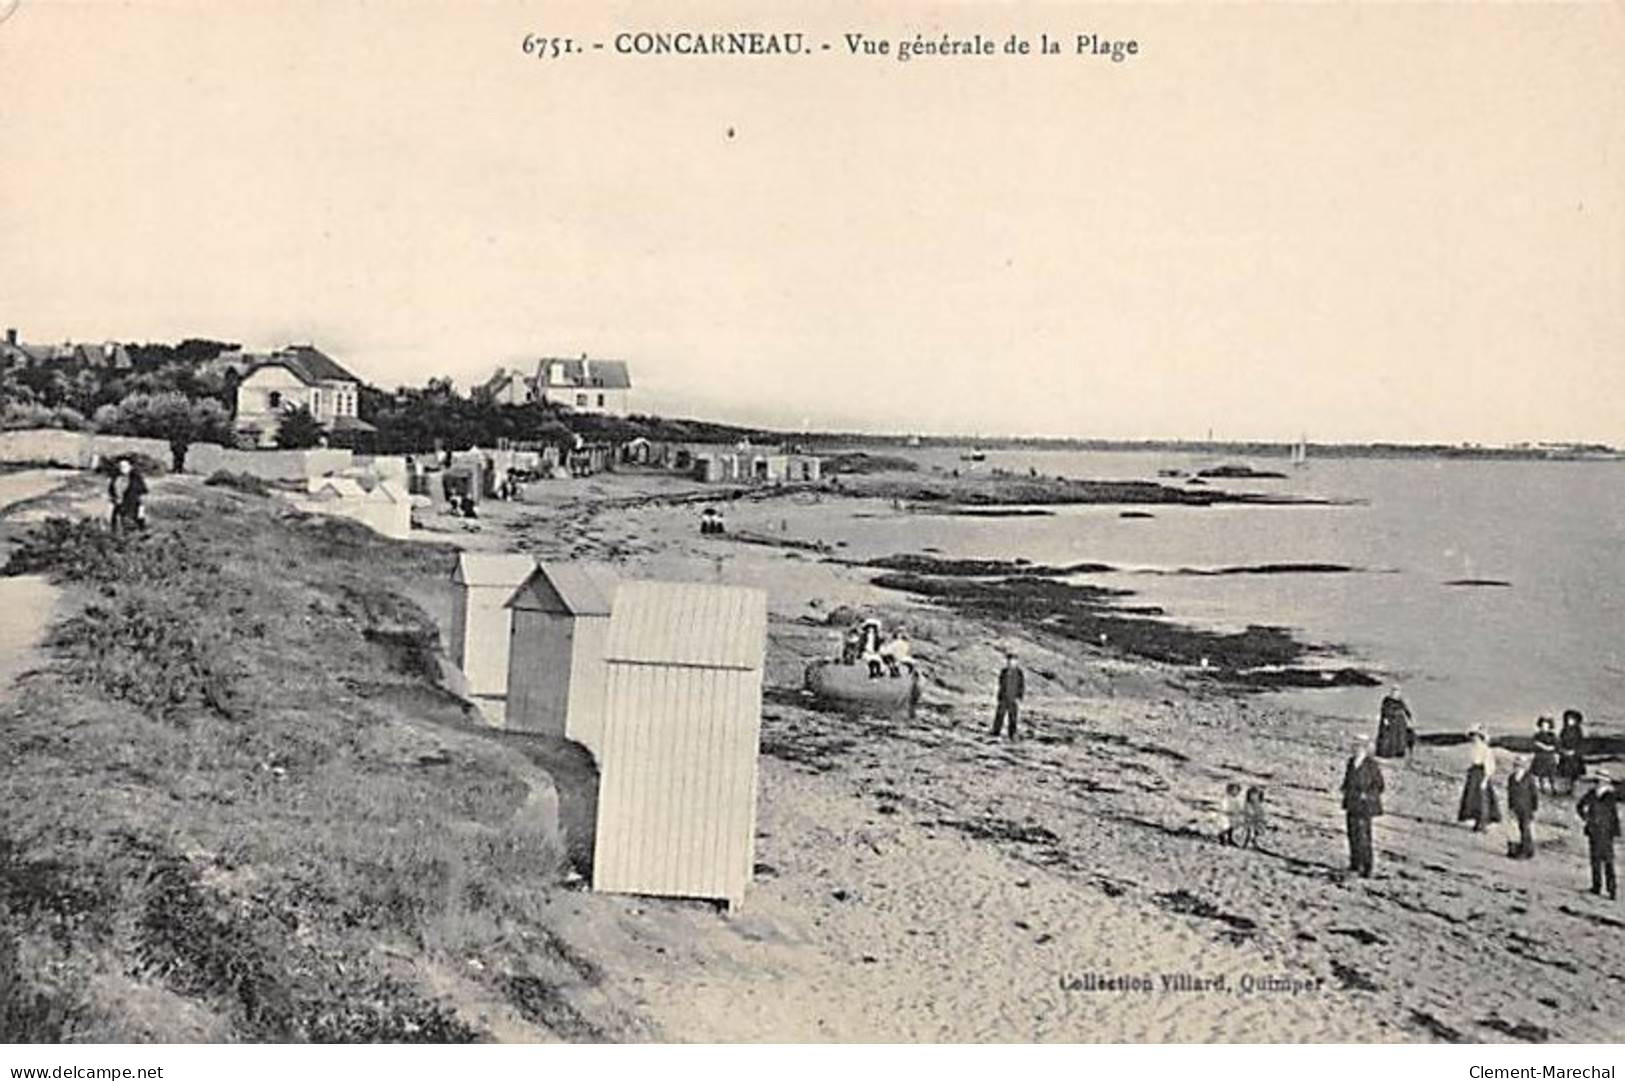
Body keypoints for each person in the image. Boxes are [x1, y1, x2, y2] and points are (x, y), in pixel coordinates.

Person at [1341, 736, 1384, 878]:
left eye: (1358, 746)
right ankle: (1354, 863)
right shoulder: (1351, 762)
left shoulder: (1371, 765)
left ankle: (1366, 867)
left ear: (1365, 748)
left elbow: (1379, 785)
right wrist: (1344, 789)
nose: (1355, 749)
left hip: (1365, 806)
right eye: (1354, 746)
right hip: (1352, 803)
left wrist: (1368, 794)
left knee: (1364, 836)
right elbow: (1348, 780)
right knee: (1352, 834)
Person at [1576, 770, 1619, 901]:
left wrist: (1615, 832)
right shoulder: (1591, 794)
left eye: (1601, 780)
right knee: (1595, 860)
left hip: (1606, 833)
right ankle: (1596, 887)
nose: (1598, 783)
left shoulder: (1610, 796)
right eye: (1597, 780)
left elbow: (1614, 816)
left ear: (1606, 782)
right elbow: (1579, 806)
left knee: (1608, 862)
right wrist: (1586, 818)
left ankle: (1612, 890)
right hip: (1593, 831)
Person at [1457, 727, 1502, 832]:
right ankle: (1477, 822)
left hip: (1481, 774)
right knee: (1473, 799)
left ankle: (1483, 823)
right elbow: (1471, 762)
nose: (1474, 739)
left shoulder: (1486, 750)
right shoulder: (1473, 749)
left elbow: (1490, 765)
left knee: (1483, 800)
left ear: (1480, 737)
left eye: (1476, 736)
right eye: (1473, 736)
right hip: (1473, 775)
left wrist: (1485, 780)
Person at [1505, 756, 1538, 860]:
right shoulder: (1511, 778)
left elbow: (1534, 795)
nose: (1517, 768)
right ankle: (1515, 849)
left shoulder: (1529, 778)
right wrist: (1510, 807)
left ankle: (1526, 850)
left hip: (1527, 807)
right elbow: (1510, 793)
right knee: (1514, 829)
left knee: (1525, 829)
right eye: (1515, 766)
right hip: (1515, 806)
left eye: (1520, 766)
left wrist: (1534, 808)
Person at [989, 652, 1024, 740]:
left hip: (1013, 698)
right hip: (1004, 697)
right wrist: (999, 695)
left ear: (1016, 662)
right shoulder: (1004, 672)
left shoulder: (1019, 673)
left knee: (1013, 717)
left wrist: (1019, 697)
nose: (1010, 663)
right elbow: (1001, 684)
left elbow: (1021, 686)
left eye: (1012, 661)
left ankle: (1012, 734)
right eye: (1009, 661)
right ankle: (996, 732)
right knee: (1000, 715)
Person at [107, 458, 147, 534]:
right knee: (116, 527)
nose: (122, 468)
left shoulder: (136, 478)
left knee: (131, 528)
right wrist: (113, 500)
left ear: (130, 467)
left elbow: (142, 494)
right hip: (118, 507)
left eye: (125, 466)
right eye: (121, 466)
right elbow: (111, 492)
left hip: (132, 507)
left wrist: (141, 509)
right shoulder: (115, 478)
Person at [1375, 686, 1414, 758]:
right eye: (1394, 692)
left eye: (1397, 692)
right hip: (1390, 720)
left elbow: (1405, 709)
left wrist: (1409, 718)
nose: (1395, 693)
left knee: (1400, 737)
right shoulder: (1387, 700)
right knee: (1388, 737)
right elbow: (1384, 710)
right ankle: (1386, 753)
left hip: (1399, 721)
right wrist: (1385, 719)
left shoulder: (1400, 701)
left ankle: (1399, 752)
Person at [1557, 710, 1587, 796]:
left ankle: (1573, 789)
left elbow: (1580, 743)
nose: (1569, 721)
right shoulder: (1564, 730)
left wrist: (1574, 751)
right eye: (1568, 719)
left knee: (1575, 773)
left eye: (1572, 719)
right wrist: (1562, 750)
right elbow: (1560, 742)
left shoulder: (1578, 731)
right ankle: (1566, 789)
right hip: (1565, 755)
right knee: (1565, 773)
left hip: (1575, 756)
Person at [1531, 716, 1561, 794]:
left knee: (1551, 774)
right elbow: (1534, 744)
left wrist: (1543, 746)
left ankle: (1553, 788)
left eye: (1546, 725)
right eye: (1543, 725)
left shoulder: (1552, 735)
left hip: (1549, 757)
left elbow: (1555, 746)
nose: (1544, 727)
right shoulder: (1537, 735)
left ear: (1549, 726)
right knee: (1540, 774)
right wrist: (1543, 747)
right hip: (1540, 756)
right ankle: (1542, 787)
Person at [1216, 782, 1243, 846]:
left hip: (1233, 816)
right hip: (1225, 815)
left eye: (1236, 790)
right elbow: (1223, 806)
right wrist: (1227, 811)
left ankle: (1230, 839)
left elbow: (1239, 807)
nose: (1235, 792)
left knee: (1232, 827)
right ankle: (1221, 837)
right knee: (1226, 827)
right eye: (1233, 790)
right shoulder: (1226, 798)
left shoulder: (1237, 799)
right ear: (1229, 790)